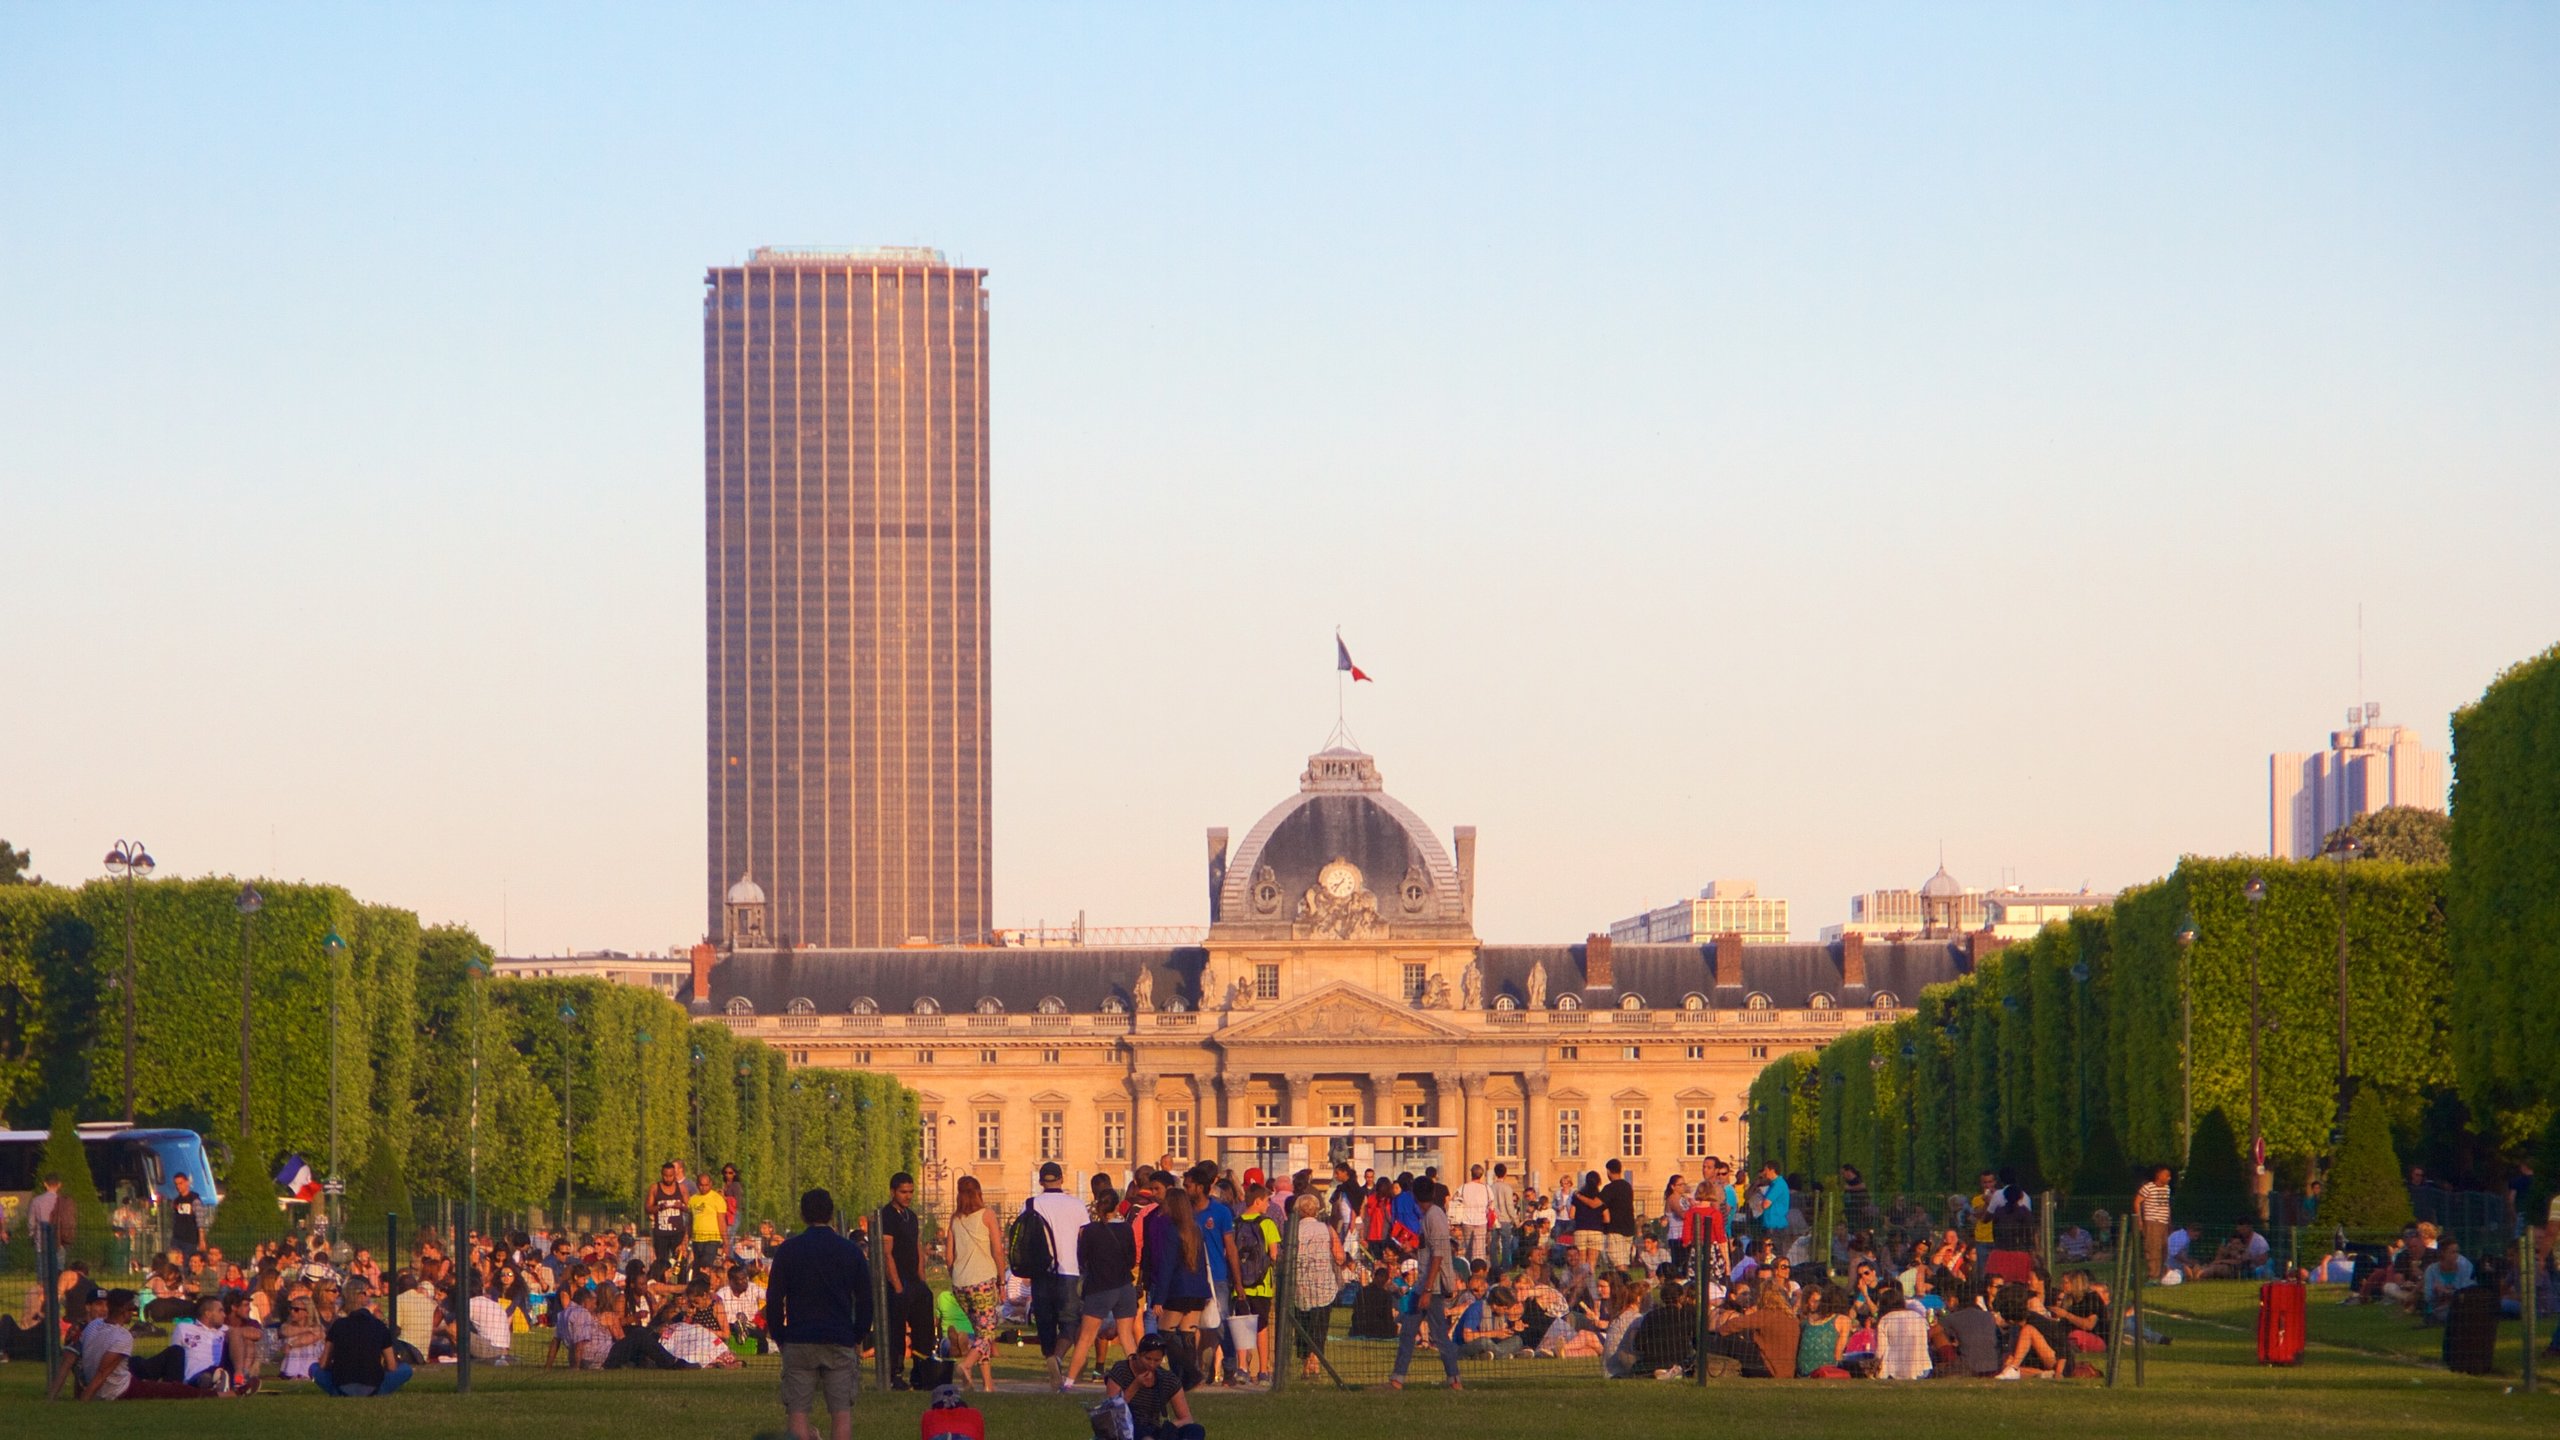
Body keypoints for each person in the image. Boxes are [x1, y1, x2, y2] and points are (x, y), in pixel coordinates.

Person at [769, 1188, 872, 1440]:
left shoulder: (788, 1251)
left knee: (798, 1412)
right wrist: (857, 1335)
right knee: (841, 1412)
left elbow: (773, 1300)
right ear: (831, 1214)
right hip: (839, 1337)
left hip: (799, 1337)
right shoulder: (851, 1252)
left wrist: (780, 1336)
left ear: (802, 1214)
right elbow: (866, 1299)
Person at [1387, 1177, 1464, 1390]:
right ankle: (1397, 1379)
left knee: (1439, 1335)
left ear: (1414, 1195)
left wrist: (1428, 1290)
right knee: (1408, 1332)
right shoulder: (1428, 1216)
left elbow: (1438, 1255)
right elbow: (1430, 1251)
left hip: (1433, 1287)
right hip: (1423, 1284)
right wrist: (1412, 1248)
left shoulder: (1434, 1217)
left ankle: (1454, 1379)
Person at [1064, 1184, 1141, 1391]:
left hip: (1099, 1287)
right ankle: (1140, 1378)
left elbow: (1082, 1259)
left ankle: (1069, 1381)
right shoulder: (1125, 1229)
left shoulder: (1090, 1231)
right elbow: (1132, 1260)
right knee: (1126, 1336)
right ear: (1117, 1206)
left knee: (1086, 1337)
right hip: (1124, 1286)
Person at [1144, 1184, 1213, 1386]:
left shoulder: (1172, 1231)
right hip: (1198, 1290)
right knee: (1187, 1335)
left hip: (1177, 1290)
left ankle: (1189, 1373)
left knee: (1165, 1333)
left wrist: (1159, 1299)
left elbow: (1167, 1266)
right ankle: (1186, 1380)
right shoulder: (1196, 1229)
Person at [1026, 1161, 1087, 1387]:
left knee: (1045, 1320)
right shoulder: (1077, 1205)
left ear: (1041, 1181)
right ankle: (1058, 1357)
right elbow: (1083, 1238)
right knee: (1070, 1321)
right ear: (1062, 1179)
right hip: (1069, 1270)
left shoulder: (1031, 1204)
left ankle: (1050, 1358)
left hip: (1042, 1272)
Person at [943, 1175, 1004, 1380]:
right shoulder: (987, 1215)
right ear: (979, 1193)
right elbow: (997, 1250)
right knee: (987, 1332)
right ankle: (967, 1365)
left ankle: (988, 1384)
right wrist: (1002, 1279)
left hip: (960, 1283)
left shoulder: (955, 1219)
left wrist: (955, 1275)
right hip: (983, 1280)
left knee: (980, 1333)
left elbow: (949, 1256)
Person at [877, 1173, 934, 1389]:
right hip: (898, 1283)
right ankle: (895, 1373)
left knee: (924, 1326)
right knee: (896, 1330)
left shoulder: (911, 1216)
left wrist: (922, 1279)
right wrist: (898, 1286)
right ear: (893, 1192)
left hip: (914, 1280)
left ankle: (921, 1370)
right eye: (903, 1192)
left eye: (911, 1192)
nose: (908, 1196)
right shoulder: (887, 1216)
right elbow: (886, 1253)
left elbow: (917, 1248)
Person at [1287, 1190, 1347, 1380]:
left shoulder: (1293, 1229)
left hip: (1300, 1285)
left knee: (1302, 1324)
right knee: (1320, 1325)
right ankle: (1315, 1360)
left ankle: (1306, 1362)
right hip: (1323, 1284)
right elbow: (1339, 1257)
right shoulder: (1327, 1229)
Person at [314, 1280, 411, 1397]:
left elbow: (323, 1364)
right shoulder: (379, 1326)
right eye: (365, 1293)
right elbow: (391, 1366)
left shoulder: (338, 1325)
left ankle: (337, 1392)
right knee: (406, 1369)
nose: (369, 1295)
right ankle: (378, 1393)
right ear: (358, 1296)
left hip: (342, 1386)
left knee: (313, 1368)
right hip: (372, 1387)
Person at [1106, 1333, 1205, 1440]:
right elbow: (1112, 1411)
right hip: (1125, 1425)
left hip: (1153, 1427)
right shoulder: (1121, 1370)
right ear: (1138, 1354)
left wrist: (1170, 1427)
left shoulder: (1167, 1379)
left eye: (1157, 1360)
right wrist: (1135, 1385)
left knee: (1196, 1430)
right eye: (1147, 1359)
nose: (1152, 1364)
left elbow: (1186, 1417)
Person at [647, 1162, 690, 1272]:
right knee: (661, 1263)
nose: (668, 1178)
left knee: (681, 1261)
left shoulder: (682, 1188)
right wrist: (659, 1207)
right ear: (661, 1174)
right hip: (661, 1233)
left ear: (675, 1174)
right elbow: (648, 1208)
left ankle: (681, 1286)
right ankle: (662, 1283)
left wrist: (681, 1206)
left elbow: (690, 1208)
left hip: (677, 1232)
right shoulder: (655, 1188)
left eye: (671, 1176)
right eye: (665, 1176)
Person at [2421, 1237, 2475, 1323]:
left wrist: (2445, 1292)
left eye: (2457, 1252)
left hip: (2459, 1306)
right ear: (2443, 1253)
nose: (2457, 1255)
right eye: (2453, 1252)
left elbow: (2466, 1294)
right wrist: (2438, 1293)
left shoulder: (2464, 1267)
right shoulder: (2431, 1271)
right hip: (2438, 1309)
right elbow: (2428, 1297)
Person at [2134, 1166, 2173, 1281]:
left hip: (2163, 1222)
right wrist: (2139, 1220)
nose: (2169, 1178)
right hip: (2152, 1221)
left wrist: (2169, 1221)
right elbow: (2137, 1202)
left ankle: (2161, 1274)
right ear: (2159, 1175)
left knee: (2164, 1249)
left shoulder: (2166, 1189)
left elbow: (2167, 1205)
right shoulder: (2148, 1188)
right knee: (2153, 1249)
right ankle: (2153, 1276)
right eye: (2166, 1175)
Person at [688, 1173, 731, 1275]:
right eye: (701, 1185)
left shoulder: (717, 1199)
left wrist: (725, 1241)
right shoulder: (693, 1199)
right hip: (697, 1238)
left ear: (711, 1184)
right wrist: (687, 1237)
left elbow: (721, 1221)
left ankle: (706, 1286)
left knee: (706, 1265)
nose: (704, 1188)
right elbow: (690, 1221)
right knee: (697, 1267)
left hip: (712, 1238)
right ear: (697, 1185)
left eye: (706, 1185)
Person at [1599, 1160, 1637, 1270]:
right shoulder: (1627, 1186)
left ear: (1609, 1171)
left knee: (1616, 1258)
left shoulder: (1610, 1188)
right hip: (1628, 1227)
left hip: (1615, 1227)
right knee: (1624, 1258)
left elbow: (1598, 1203)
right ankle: (1623, 1280)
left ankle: (1622, 1281)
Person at [166, 1173, 204, 1259]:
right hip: (177, 1238)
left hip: (190, 1240)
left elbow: (200, 1220)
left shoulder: (194, 1200)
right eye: (176, 1184)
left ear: (187, 1183)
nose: (178, 1186)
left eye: (181, 1183)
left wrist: (201, 1239)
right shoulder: (176, 1201)